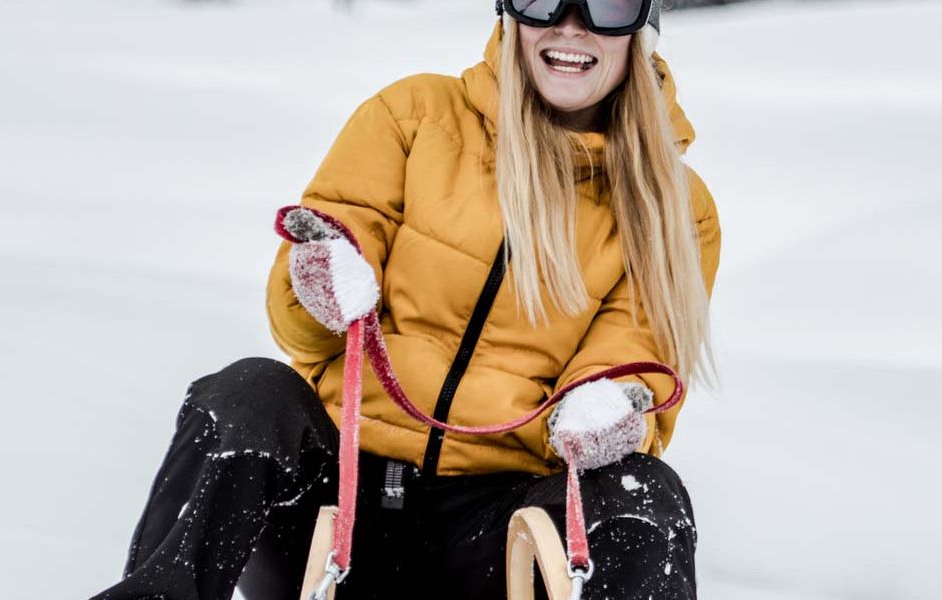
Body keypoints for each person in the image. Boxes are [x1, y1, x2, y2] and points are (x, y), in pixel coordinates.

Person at [92, 1, 720, 598]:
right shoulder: (415, 116)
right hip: (338, 495)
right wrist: (319, 282)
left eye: (608, 6)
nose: (570, 27)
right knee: (247, 394)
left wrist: (606, 406)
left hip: (497, 533)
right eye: (542, 0)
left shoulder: (675, 209)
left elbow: (636, 352)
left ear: (641, 29)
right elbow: (323, 283)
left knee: (643, 491)